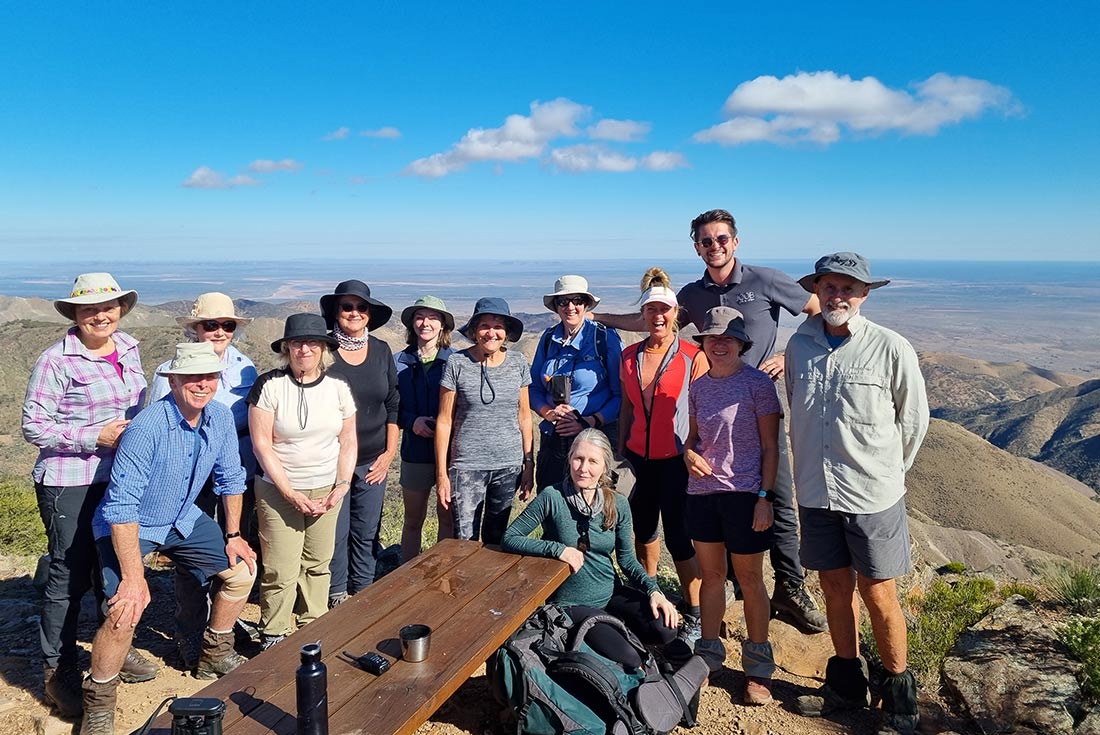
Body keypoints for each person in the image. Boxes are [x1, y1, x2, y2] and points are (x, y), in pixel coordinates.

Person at [596, 209, 827, 634]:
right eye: (705, 241)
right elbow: (655, 320)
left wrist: (787, 355)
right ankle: (733, 585)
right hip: (709, 409)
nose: (714, 246)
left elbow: (817, 310)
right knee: (720, 495)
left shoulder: (765, 279)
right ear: (696, 247)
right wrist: (598, 317)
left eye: (721, 239)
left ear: (735, 242)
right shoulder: (693, 293)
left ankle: (790, 587)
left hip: (757, 402)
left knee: (774, 493)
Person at [80, 343, 258, 735]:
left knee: (242, 571)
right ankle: (99, 702)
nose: (202, 384)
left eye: (209, 376)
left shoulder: (220, 418)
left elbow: (231, 479)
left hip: (181, 517)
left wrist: (232, 534)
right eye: (192, 377)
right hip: (132, 525)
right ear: (173, 380)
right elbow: (121, 508)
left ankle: (214, 653)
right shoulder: (147, 428)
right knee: (125, 608)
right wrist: (133, 575)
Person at [785, 253, 929, 734]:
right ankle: (845, 683)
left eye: (848, 288)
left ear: (865, 294)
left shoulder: (891, 348)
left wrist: (886, 473)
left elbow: (913, 422)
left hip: (872, 495)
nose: (838, 296)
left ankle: (899, 699)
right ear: (818, 291)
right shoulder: (799, 346)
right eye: (829, 287)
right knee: (833, 588)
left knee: (879, 592)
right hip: (815, 490)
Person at [22, 272, 156, 719]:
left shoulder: (130, 347)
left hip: (121, 477)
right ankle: (58, 673)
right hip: (70, 479)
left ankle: (114, 650)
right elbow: (33, 426)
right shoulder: (56, 360)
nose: (101, 315)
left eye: (108, 307)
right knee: (68, 576)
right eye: (89, 309)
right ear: (75, 315)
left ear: (120, 309)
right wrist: (91, 436)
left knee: (112, 567)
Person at [502, 429, 679, 666]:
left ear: (605, 466)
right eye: (578, 458)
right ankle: (584, 641)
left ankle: (609, 633)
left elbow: (627, 560)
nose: (583, 468)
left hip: (609, 592)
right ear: (569, 459)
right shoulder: (552, 497)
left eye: (592, 461)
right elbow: (510, 537)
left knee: (665, 629)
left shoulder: (617, 503)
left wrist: (654, 591)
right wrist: (558, 549)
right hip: (571, 603)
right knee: (630, 658)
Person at [148, 292, 258, 670]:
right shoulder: (169, 371)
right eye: (211, 324)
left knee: (231, 548)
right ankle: (190, 631)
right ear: (196, 328)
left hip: (233, 474)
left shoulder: (246, 368)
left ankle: (221, 628)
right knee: (189, 560)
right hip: (185, 480)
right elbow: (154, 428)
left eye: (226, 325)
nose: (219, 331)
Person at [684, 307, 780, 705]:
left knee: (751, 580)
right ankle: (709, 655)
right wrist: (688, 456)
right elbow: (691, 440)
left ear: (741, 343)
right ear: (703, 343)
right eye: (712, 337)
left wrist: (764, 498)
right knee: (710, 575)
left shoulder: (758, 384)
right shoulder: (699, 387)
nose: (719, 344)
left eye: (728, 338)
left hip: (745, 495)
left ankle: (758, 668)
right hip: (702, 493)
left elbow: (772, 447)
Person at [248, 314, 357, 649]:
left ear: (324, 349)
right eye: (297, 343)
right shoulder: (269, 386)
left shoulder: (338, 388)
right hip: (278, 489)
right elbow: (262, 444)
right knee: (280, 567)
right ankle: (274, 633)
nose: (305, 349)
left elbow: (348, 440)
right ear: (286, 348)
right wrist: (289, 491)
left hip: (326, 489)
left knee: (317, 564)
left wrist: (342, 485)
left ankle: (313, 628)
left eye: (312, 343)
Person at [617, 269, 706, 656]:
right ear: (643, 315)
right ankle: (650, 598)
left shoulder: (692, 356)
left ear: (675, 313)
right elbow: (625, 406)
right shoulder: (628, 357)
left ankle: (697, 614)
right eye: (651, 309)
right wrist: (620, 449)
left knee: (681, 539)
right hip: (638, 459)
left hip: (677, 460)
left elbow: (704, 409)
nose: (658, 316)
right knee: (643, 531)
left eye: (664, 309)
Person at [320, 280, 400, 606]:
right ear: (336, 312)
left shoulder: (381, 350)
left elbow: (394, 402)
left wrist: (389, 452)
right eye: (347, 307)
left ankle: (363, 590)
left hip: (372, 459)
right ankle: (336, 592)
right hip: (331, 460)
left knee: (366, 529)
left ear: (369, 314)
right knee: (335, 532)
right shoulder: (323, 350)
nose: (354, 313)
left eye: (361, 307)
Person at [436, 297, 534, 544]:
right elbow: (444, 420)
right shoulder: (457, 363)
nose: (492, 332)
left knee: (496, 540)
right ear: (474, 331)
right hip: (467, 465)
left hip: (508, 465)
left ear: (507, 332)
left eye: (498, 326)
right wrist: (442, 474)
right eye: (485, 326)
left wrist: (529, 463)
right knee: (464, 541)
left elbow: (524, 415)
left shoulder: (518, 363)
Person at [530, 275, 623, 490]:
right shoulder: (547, 339)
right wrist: (548, 413)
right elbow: (533, 388)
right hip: (554, 438)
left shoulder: (604, 338)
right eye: (563, 301)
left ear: (586, 304)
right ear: (556, 306)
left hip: (595, 441)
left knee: (594, 506)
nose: (570, 307)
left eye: (578, 300)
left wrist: (590, 421)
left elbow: (620, 395)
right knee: (551, 505)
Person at [395, 296, 456, 562]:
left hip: (452, 452)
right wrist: (412, 422)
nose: (426, 323)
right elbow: (390, 405)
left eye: (433, 318)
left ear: (443, 326)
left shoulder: (456, 361)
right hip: (415, 451)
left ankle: (442, 570)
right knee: (412, 519)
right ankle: (406, 572)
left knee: (447, 517)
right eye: (420, 317)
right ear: (412, 323)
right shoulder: (398, 362)